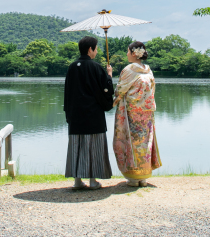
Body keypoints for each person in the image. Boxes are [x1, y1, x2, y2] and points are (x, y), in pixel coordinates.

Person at [63, 35, 114, 190]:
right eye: (96, 48)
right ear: (90, 49)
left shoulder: (72, 67)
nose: (97, 51)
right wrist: (109, 75)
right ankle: (93, 181)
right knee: (94, 147)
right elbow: (107, 90)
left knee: (76, 147)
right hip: (93, 116)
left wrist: (69, 113)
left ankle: (77, 181)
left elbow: (67, 93)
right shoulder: (96, 67)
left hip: (76, 116)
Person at [112, 40, 162, 187]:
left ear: (134, 53)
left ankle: (134, 176)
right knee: (145, 143)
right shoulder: (148, 70)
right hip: (146, 113)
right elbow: (152, 91)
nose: (127, 54)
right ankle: (143, 176)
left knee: (132, 142)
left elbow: (120, 90)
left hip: (132, 113)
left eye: (128, 51)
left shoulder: (129, 70)